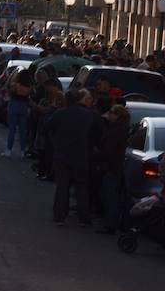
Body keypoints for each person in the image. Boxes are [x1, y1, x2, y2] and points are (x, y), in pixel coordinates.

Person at [49, 89, 96, 226]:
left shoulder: (60, 113)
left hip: (62, 154)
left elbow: (47, 127)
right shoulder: (87, 115)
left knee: (62, 187)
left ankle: (60, 216)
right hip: (80, 155)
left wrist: (56, 140)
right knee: (82, 187)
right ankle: (83, 217)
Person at [94, 101, 129, 234]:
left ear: (118, 116)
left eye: (113, 113)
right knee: (108, 194)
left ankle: (110, 224)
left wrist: (97, 154)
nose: (110, 115)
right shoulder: (117, 129)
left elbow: (108, 151)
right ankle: (110, 222)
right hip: (111, 166)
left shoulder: (117, 131)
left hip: (112, 167)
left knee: (110, 196)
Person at [1, 64, 33, 158]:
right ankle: (22, 151)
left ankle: (8, 150)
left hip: (14, 106)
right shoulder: (29, 88)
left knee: (12, 130)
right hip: (24, 108)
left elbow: (9, 94)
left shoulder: (16, 86)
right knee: (22, 130)